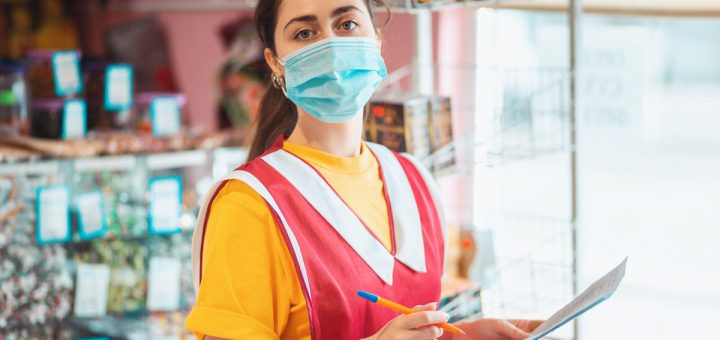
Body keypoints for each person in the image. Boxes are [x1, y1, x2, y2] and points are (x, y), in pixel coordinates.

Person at [185, 0, 542, 339]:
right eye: (305, 34)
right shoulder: (249, 205)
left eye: (347, 24)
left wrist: (463, 336)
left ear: (376, 39)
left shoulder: (414, 181)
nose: (331, 46)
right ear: (276, 63)